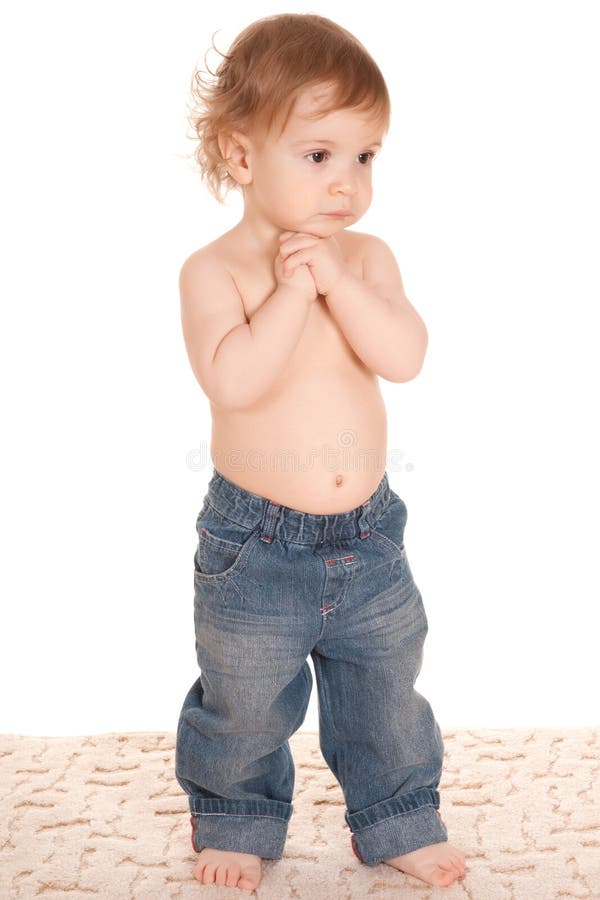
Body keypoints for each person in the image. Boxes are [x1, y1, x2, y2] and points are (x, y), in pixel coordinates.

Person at [175, 12, 467, 892]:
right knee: (244, 698)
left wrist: (335, 280)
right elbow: (234, 381)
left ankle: (398, 815)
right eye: (318, 154)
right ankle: (237, 819)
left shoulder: (365, 259)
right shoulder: (216, 271)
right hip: (255, 547)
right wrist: (294, 294)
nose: (347, 182)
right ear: (240, 155)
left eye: (365, 156)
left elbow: (405, 357)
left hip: (370, 538)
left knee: (386, 691)